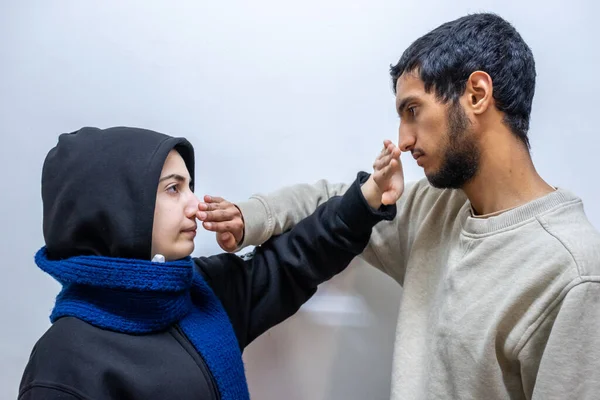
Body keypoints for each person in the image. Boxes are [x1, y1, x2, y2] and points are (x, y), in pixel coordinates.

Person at [199, 13, 600, 399]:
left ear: (477, 94)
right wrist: (252, 215)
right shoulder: (434, 209)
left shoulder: (571, 272)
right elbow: (332, 203)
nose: (403, 140)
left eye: (413, 111)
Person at [18, 126, 397, 400]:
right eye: (173, 188)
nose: (194, 204)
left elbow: (293, 261)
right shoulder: (63, 362)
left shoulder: (199, 291)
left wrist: (367, 199)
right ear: (118, 208)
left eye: (189, 186)